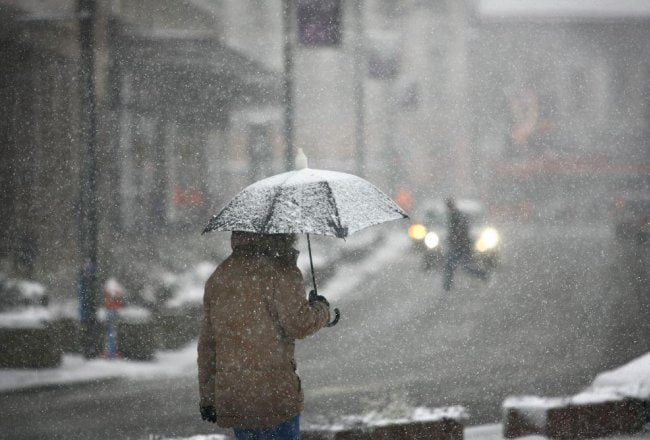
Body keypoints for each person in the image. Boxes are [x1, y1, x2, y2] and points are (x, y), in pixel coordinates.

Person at [198, 232, 330, 440]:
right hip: (275, 396)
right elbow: (299, 324)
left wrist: (208, 397)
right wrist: (322, 309)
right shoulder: (281, 271)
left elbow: (207, 345)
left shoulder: (220, 275)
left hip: (236, 398)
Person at [443, 198, 486, 291]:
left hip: (460, 246)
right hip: (461, 246)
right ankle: (447, 285)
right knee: (459, 266)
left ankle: (447, 285)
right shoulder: (455, 215)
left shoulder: (456, 216)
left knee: (455, 266)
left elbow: (460, 232)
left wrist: (457, 241)